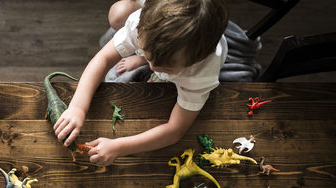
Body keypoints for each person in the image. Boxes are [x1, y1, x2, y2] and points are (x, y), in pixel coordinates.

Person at [53, 0, 229, 166]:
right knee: (117, 13)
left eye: (166, 68)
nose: (153, 68)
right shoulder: (140, 24)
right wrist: (77, 107)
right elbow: (103, 58)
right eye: (147, 55)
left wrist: (119, 147)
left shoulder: (200, 75)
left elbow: (176, 129)